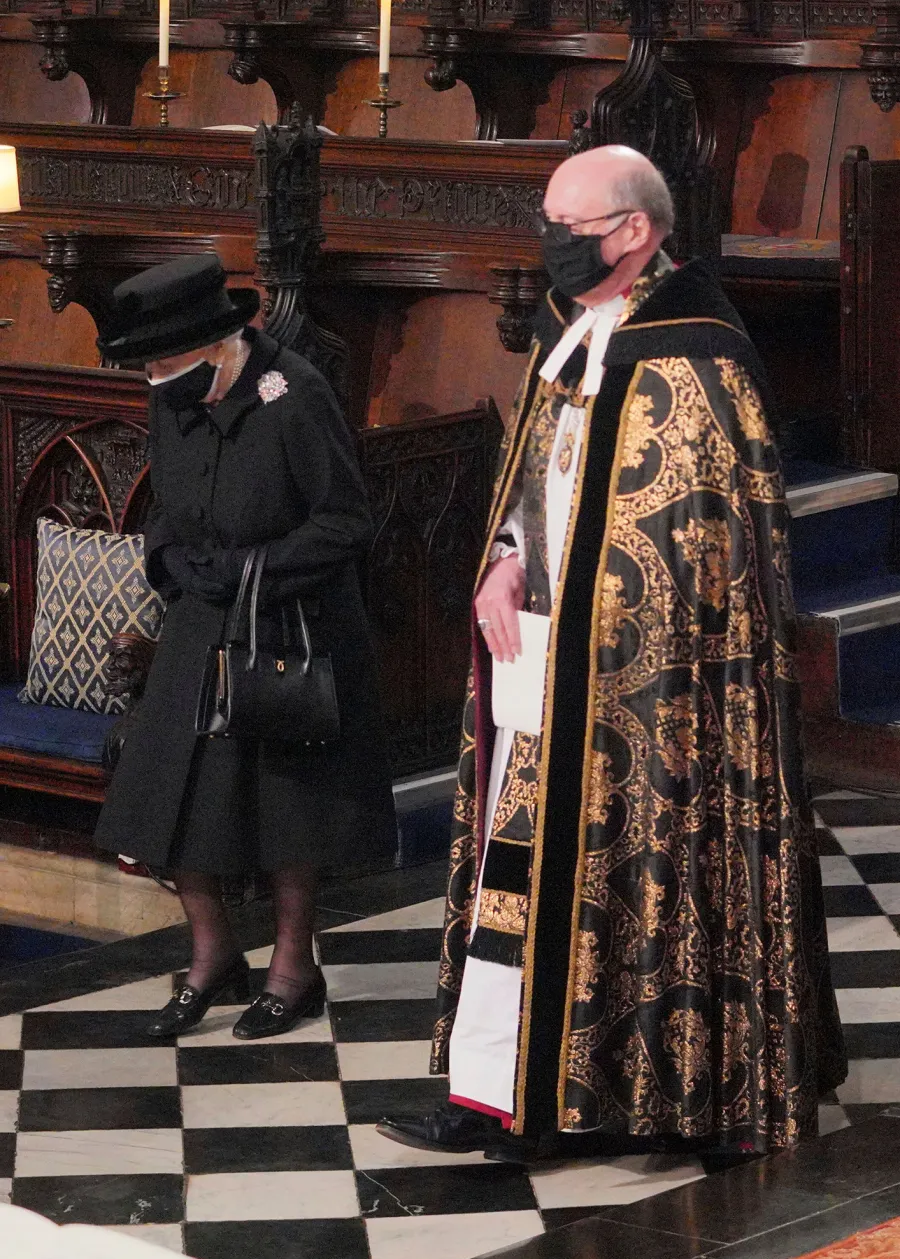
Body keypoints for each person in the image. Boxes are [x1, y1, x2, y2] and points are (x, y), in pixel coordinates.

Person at [377, 146, 847, 1160]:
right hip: (544, 669)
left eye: (570, 225)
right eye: (547, 220)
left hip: (653, 695)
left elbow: (713, 548)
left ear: (635, 230)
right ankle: (497, 1093)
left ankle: (661, 1095)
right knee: (515, 879)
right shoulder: (566, 330)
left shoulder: (700, 354)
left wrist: (623, 629)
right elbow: (541, 479)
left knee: (642, 882)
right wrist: (507, 559)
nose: (550, 243)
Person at [95, 254, 396, 1040]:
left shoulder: (297, 396)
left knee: (285, 807)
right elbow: (165, 504)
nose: (154, 379)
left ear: (213, 345)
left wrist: (252, 566)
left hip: (290, 623)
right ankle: (213, 955)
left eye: (163, 362)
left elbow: (346, 522)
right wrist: (170, 558)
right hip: (202, 614)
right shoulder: (174, 395)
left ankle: (293, 969)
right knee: (165, 794)